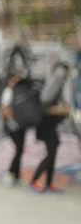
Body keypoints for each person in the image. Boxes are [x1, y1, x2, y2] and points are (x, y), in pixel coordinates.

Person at [29, 62, 72, 193]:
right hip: (46, 125)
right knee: (51, 153)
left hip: (50, 125)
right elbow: (44, 106)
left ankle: (48, 183)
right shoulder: (52, 85)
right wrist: (59, 110)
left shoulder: (56, 85)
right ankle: (34, 181)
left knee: (52, 153)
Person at [0, 72, 27, 186]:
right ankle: (10, 174)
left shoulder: (21, 91)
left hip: (21, 125)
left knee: (20, 150)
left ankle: (16, 175)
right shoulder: (9, 91)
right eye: (16, 77)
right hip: (13, 125)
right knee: (18, 149)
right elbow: (5, 109)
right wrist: (11, 121)